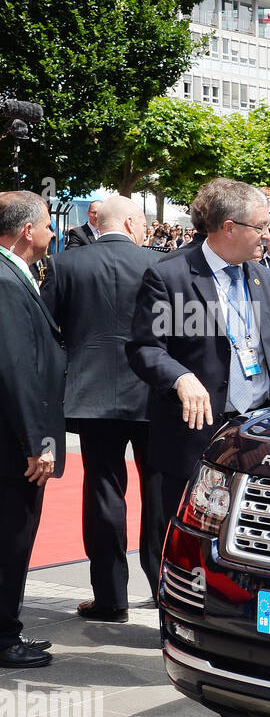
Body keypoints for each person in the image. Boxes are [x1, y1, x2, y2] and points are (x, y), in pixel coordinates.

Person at [127, 179, 270, 553]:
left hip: (260, 427)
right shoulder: (170, 275)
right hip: (195, 429)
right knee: (180, 536)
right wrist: (180, 377)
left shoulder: (262, 278)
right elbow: (146, 348)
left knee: (253, 534)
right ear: (230, 227)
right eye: (260, 227)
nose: (267, 235)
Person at [40, 195, 163, 620]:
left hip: (93, 396)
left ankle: (111, 598)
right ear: (131, 222)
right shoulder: (161, 263)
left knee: (103, 492)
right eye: (144, 221)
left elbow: (47, 329)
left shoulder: (67, 265)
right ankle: (166, 592)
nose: (147, 229)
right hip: (155, 393)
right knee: (159, 494)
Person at [0, 191, 65, 667]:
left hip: (15, 437)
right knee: (12, 535)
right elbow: (17, 369)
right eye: (46, 225)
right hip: (13, 444)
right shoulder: (5, 280)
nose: (52, 233)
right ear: (27, 231)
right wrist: (36, 444)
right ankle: (4, 637)